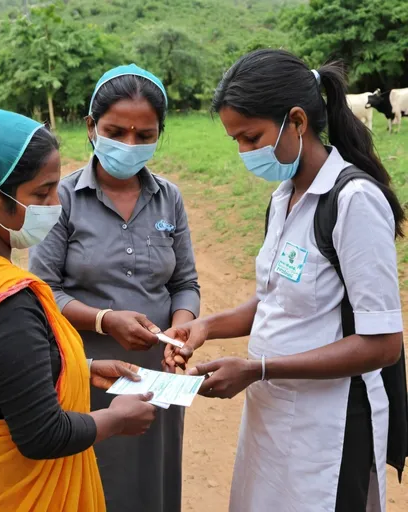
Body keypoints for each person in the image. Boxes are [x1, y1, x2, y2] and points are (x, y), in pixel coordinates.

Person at [165, 49, 407, 512]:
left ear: (296, 121)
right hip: (273, 414)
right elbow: (275, 299)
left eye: (251, 137)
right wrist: (206, 327)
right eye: (234, 139)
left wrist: (258, 368)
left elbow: (382, 345)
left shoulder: (353, 200)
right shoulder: (283, 197)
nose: (243, 152)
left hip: (330, 428)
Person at [0, 109, 158, 512]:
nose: (56, 204)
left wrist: (79, 367)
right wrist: (116, 419)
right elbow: (43, 435)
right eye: (41, 193)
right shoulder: (5, 301)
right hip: (12, 494)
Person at [29, 64, 200, 512]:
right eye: (115, 131)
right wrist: (104, 320)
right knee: (96, 478)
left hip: (157, 373)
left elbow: (185, 283)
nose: (130, 144)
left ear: (159, 134)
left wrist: (181, 329)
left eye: (144, 135)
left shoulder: (170, 198)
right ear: (91, 127)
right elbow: (44, 292)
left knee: (154, 478)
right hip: (88, 368)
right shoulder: (60, 199)